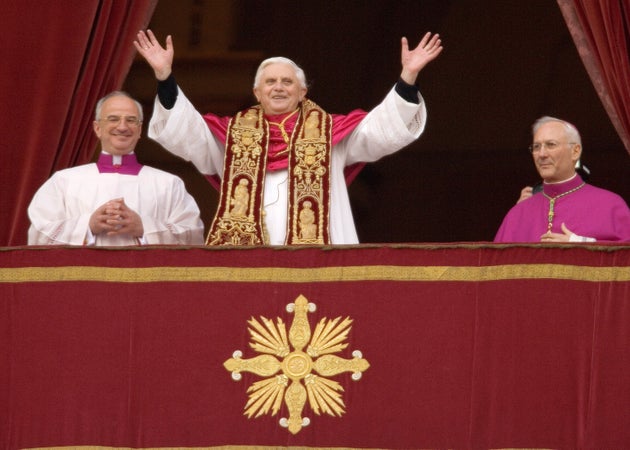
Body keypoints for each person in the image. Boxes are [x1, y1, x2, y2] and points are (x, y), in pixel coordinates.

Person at [134, 29, 443, 245]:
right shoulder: (229, 136)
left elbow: (381, 130)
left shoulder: (332, 133)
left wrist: (408, 78)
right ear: (257, 92)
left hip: (319, 250)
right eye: (270, 82)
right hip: (250, 253)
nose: (278, 87)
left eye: (287, 82)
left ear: (303, 91)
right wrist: (164, 76)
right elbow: (187, 131)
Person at [27, 91, 205, 246]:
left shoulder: (169, 184)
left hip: (143, 281)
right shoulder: (63, 181)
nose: (122, 127)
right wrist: (88, 226)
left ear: (139, 129)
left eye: (131, 120)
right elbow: (38, 235)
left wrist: (144, 228)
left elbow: (193, 236)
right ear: (97, 128)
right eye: (113, 119)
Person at [494, 116, 630, 243]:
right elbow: (495, 265)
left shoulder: (610, 204)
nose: (541, 154)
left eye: (551, 145)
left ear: (575, 151)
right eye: (536, 147)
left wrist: (579, 242)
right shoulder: (518, 214)